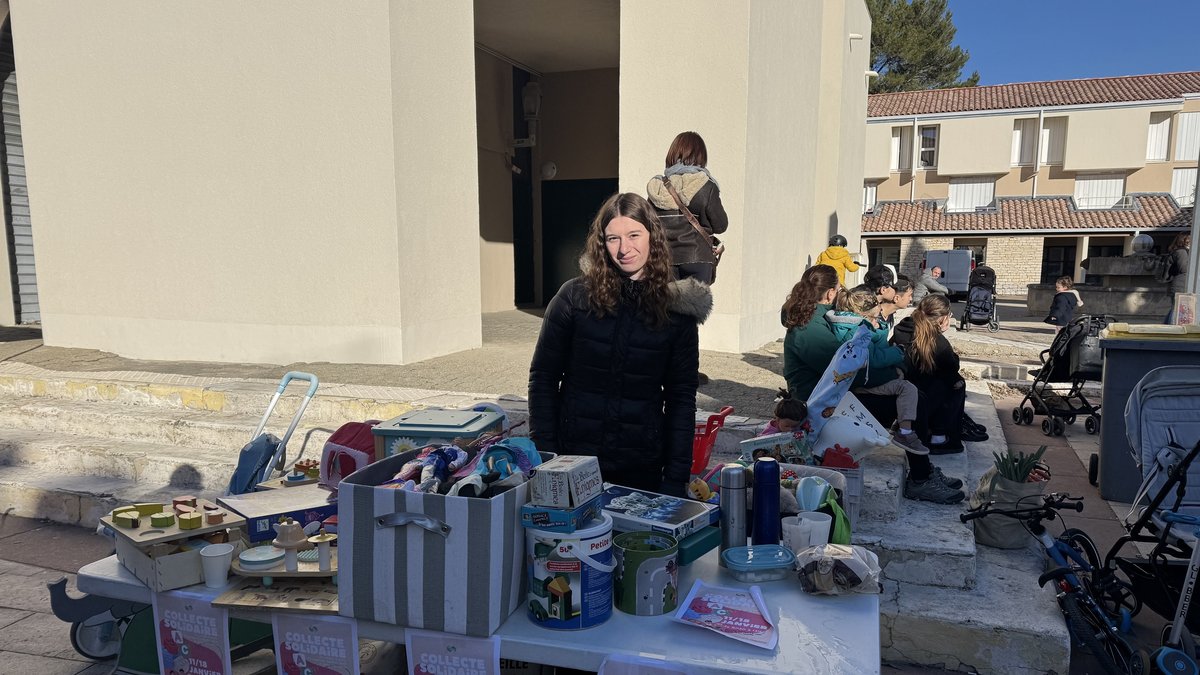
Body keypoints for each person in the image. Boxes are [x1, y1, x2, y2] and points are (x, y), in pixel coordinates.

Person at [528, 193, 713, 497]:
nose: (624, 249)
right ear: (602, 243)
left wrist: (676, 475)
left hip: (641, 463)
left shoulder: (677, 312)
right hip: (573, 460)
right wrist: (546, 454)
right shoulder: (573, 297)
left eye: (634, 235)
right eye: (613, 238)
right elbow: (543, 378)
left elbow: (681, 398)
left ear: (652, 236)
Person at [782, 269, 960, 503]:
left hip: (837, 394)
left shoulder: (819, 318)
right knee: (914, 400)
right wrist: (892, 373)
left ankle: (923, 470)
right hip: (820, 404)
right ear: (830, 293)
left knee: (916, 395)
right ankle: (920, 478)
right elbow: (845, 372)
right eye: (839, 289)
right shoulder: (809, 328)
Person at [825, 287, 929, 456]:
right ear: (863, 314)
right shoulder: (859, 331)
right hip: (860, 384)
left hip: (859, 380)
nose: (876, 322)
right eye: (874, 318)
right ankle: (905, 432)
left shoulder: (845, 325)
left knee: (911, 389)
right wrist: (899, 352)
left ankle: (903, 426)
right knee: (909, 389)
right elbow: (874, 359)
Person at [893, 295, 988, 457]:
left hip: (903, 394)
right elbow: (951, 367)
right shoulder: (938, 341)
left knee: (941, 380)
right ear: (943, 318)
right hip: (919, 400)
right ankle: (939, 436)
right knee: (956, 383)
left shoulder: (902, 328)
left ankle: (937, 430)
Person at [646, 131, 729, 285]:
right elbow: (721, 225)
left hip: (665, 259)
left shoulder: (657, 187)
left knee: (667, 301)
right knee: (696, 300)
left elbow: (649, 225)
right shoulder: (706, 185)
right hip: (698, 258)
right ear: (701, 157)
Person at [1165, 233, 1192, 323]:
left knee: (1174, 308)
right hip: (1180, 285)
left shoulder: (1178, 251)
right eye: (1189, 240)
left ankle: (1167, 324)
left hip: (1178, 284)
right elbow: (1183, 268)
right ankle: (1170, 326)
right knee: (1176, 308)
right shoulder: (1182, 252)